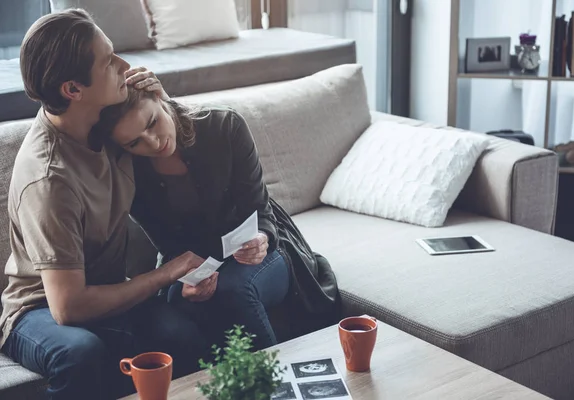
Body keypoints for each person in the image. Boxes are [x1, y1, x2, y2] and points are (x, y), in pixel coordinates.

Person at [0, 9, 212, 400]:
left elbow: (183, 140)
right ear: (73, 90)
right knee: (81, 352)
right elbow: (68, 307)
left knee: (182, 335)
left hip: (107, 289)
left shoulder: (106, 122)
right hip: (37, 309)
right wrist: (166, 274)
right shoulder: (49, 177)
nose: (124, 65)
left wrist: (159, 99)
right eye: (108, 61)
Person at [91, 86, 341, 350]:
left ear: (159, 98)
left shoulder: (224, 125)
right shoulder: (130, 171)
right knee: (178, 306)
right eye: (134, 142)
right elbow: (169, 246)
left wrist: (260, 238)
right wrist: (187, 282)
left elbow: (260, 210)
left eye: (153, 123)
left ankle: (269, 386)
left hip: (262, 248)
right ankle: (217, 386)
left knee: (234, 289)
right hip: (193, 260)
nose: (152, 142)